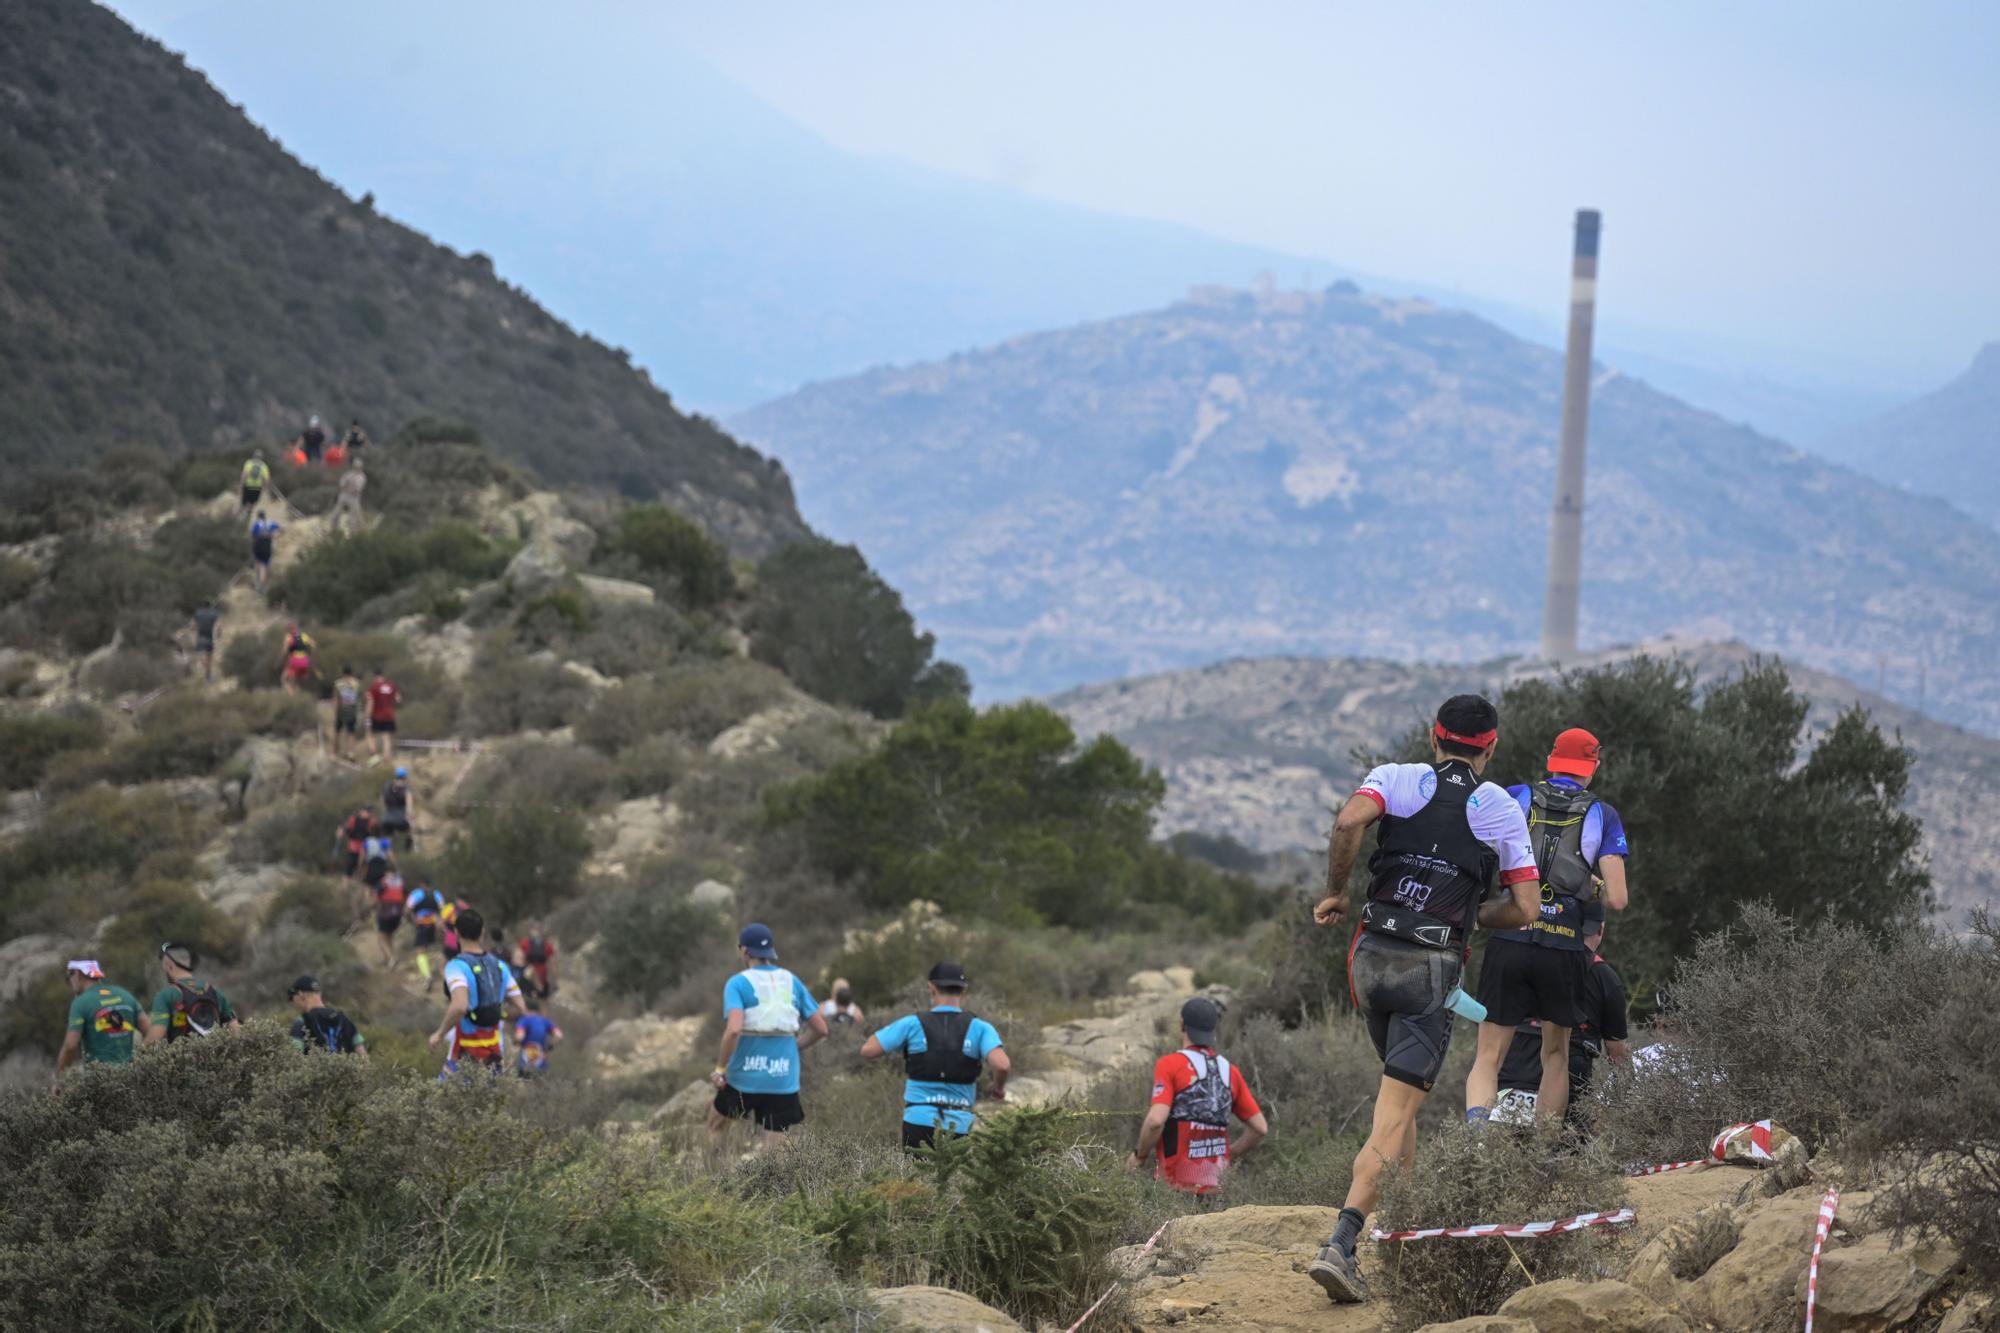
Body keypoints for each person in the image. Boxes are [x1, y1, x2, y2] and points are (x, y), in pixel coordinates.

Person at [1305, 694, 1541, 1305]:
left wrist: (1336, 892)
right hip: (1429, 973)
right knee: (1393, 1116)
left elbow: (1348, 822)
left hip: (1369, 963)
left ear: (1435, 738)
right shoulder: (1499, 808)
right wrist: (1465, 917)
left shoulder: (1395, 777)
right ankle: (1342, 1244)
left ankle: (1405, 1228)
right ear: (1489, 747)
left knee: (1402, 1101)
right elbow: (1525, 908)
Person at [1467, 728, 1632, 1130]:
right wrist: (1587, 885)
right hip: (1563, 948)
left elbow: (1476, 852)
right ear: (1591, 767)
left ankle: (1475, 1144)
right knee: (1555, 1055)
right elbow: (1617, 899)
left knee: (1489, 1056)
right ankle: (1543, 1156)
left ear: (1551, 761)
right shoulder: (1603, 814)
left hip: (1509, 935)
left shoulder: (1515, 796)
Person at [1494, 912, 1631, 1127]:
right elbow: (1617, 1053)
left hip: (1514, 1063)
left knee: (1500, 1151)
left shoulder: (1523, 957)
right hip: (1567, 1070)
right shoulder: (1604, 976)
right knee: (1565, 1151)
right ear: (1601, 930)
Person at [861, 961, 1009, 1151]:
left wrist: (896, 1035)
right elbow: (1002, 1065)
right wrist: (998, 1090)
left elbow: (868, 1050)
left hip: (918, 1120)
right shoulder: (980, 1027)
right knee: (953, 1179)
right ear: (964, 990)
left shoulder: (912, 1023)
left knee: (917, 1180)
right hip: (959, 1123)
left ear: (931, 987)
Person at [1129, 996, 1268, 1192]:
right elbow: (1260, 1128)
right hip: (1216, 1190)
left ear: (1182, 1025)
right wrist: (1229, 1155)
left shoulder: (1170, 1065)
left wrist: (1139, 1156)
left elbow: (1155, 1121)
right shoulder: (1230, 1071)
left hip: (1175, 1189)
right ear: (1213, 1030)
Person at [708, 923, 827, 1150]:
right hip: (782, 1078)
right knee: (776, 1153)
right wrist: (796, 1046)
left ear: (744, 950)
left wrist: (720, 1068)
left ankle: (716, 1179)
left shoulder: (737, 983)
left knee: (715, 1126)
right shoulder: (792, 981)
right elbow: (821, 1029)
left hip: (744, 1077)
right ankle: (775, 1186)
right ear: (770, 951)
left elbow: (733, 1030)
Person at [430, 909, 526, 1075]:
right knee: (489, 1098)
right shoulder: (500, 966)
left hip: (465, 1051)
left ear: (456, 932)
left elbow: (460, 1006)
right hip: (494, 1052)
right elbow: (520, 1007)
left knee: (445, 1097)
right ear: (482, 933)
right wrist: (496, 1014)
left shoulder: (455, 966)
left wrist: (439, 1034)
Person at [56, 960, 147, 1085]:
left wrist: (60, 1079)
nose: (70, 983)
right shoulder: (125, 995)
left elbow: (70, 1045)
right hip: (131, 1078)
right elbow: (150, 1030)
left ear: (77, 974)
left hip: (100, 1083)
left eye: (68, 977)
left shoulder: (80, 1002)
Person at [146, 943, 241, 1044]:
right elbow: (235, 1029)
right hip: (214, 1056)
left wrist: (139, 1055)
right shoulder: (215, 992)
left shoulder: (166, 995)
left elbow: (156, 1035)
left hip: (181, 1058)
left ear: (169, 966)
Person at [287, 976, 367, 1055]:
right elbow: (361, 1053)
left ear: (301, 995)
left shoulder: (302, 1021)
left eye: (292, 998)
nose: (293, 1003)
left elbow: (294, 1055)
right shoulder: (343, 1019)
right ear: (319, 994)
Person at [514, 994, 563, 1077]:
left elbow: (519, 1036)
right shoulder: (545, 1021)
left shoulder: (524, 1020)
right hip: (541, 1063)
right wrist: (549, 1048)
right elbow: (559, 1035)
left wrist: (516, 1043)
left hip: (526, 1063)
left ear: (525, 1008)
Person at [512, 923, 557, 1001]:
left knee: (536, 999)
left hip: (532, 974)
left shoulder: (525, 943)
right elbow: (552, 964)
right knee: (541, 999)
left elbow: (516, 960)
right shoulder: (546, 945)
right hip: (536, 974)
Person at [366, 669, 400, 763]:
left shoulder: (373, 687)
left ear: (375, 676)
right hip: (389, 715)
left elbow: (370, 702)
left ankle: (374, 756)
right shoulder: (391, 686)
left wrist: (367, 716)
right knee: (386, 737)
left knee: (370, 734)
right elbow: (398, 699)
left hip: (377, 716)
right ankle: (387, 758)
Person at [374, 868, 407, 967]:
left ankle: (391, 959)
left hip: (385, 912)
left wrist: (376, 909)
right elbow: (405, 896)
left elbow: (377, 897)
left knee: (381, 937)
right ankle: (390, 957)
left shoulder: (383, 882)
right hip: (398, 913)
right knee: (389, 935)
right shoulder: (400, 882)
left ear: (386, 872)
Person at [380, 765, 416, 849]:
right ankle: (408, 850)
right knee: (410, 830)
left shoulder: (387, 786)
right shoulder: (406, 789)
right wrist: (410, 819)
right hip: (401, 819)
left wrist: (386, 812)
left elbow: (382, 800)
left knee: (386, 839)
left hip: (387, 818)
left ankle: (385, 852)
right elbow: (409, 807)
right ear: (405, 777)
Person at [332, 666, 363, 761]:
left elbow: (336, 699)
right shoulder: (357, 683)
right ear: (351, 673)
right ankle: (351, 753)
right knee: (351, 733)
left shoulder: (338, 683)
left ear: (343, 673)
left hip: (341, 710)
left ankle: (334, 752)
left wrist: (335, 712)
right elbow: (360, 697)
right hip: (352, 710)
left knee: (337, 732)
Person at [336, 806, 375, 880]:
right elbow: (343, 827)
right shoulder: (353, 820)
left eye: (369, 812)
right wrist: (340, 831)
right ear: (361, 812)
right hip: (353, 848)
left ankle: (364, 887)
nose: (368, 813)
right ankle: (344, 888)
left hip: (365, 849)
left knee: (366, 870)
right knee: (349, 869)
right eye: (366, 811)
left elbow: (376, 834)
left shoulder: (371, 822)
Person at [330, 456, 366, 535]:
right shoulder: (348, 474)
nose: (357, 468)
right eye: (356, 466)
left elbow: (357, 489)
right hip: (344, 496)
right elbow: (341, 484)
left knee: (355, 517)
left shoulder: (362, 477)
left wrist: (348, 487)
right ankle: (334, 531)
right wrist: (348, 487)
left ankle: (356, 534)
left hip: (354, 498)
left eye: (358, 466)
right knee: (335, 514)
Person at [248, 510, 281, 593]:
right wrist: (274, 536)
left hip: (258, 547)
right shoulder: (270, 523)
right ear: (265, 516)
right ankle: (263, 587)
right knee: (265, 566)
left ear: (258, 516)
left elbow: (252, 536)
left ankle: (258, 585)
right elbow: (280, 528)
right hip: (267, 547)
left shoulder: (256, 524)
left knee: (258, 565)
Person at [279, 623, 315, 696]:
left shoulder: (288, 637)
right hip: (305, 661)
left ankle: (291, 696)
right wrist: (309, 655)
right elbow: (314, 644)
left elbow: (285, 651)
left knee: (284, 679)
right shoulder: (303, 635)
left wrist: (280, 659)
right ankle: (298, 696)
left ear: (289, 630)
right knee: (297, 681)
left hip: (295, 660)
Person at [191, 603, 221, 684]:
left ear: (203, 605)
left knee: (200, 656)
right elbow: (218, 626)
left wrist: (194, 628)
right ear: (210, 606)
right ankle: (209, 677)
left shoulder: (198, 613)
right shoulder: (214, 614)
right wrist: (218, 635)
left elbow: (192, 626)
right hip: (210, 640)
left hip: (200, 639)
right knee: (209, 659)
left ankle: (208, 676)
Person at [240, 449, 270, 514]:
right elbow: (267, 479)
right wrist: (265, 488)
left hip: (248, 486)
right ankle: (248, 514)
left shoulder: (248, 463)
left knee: (245, 502)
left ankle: (243, 515)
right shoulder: (264, 466)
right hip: (257, 487)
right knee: (252, 503)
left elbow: (244, 475)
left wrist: (241, 485)